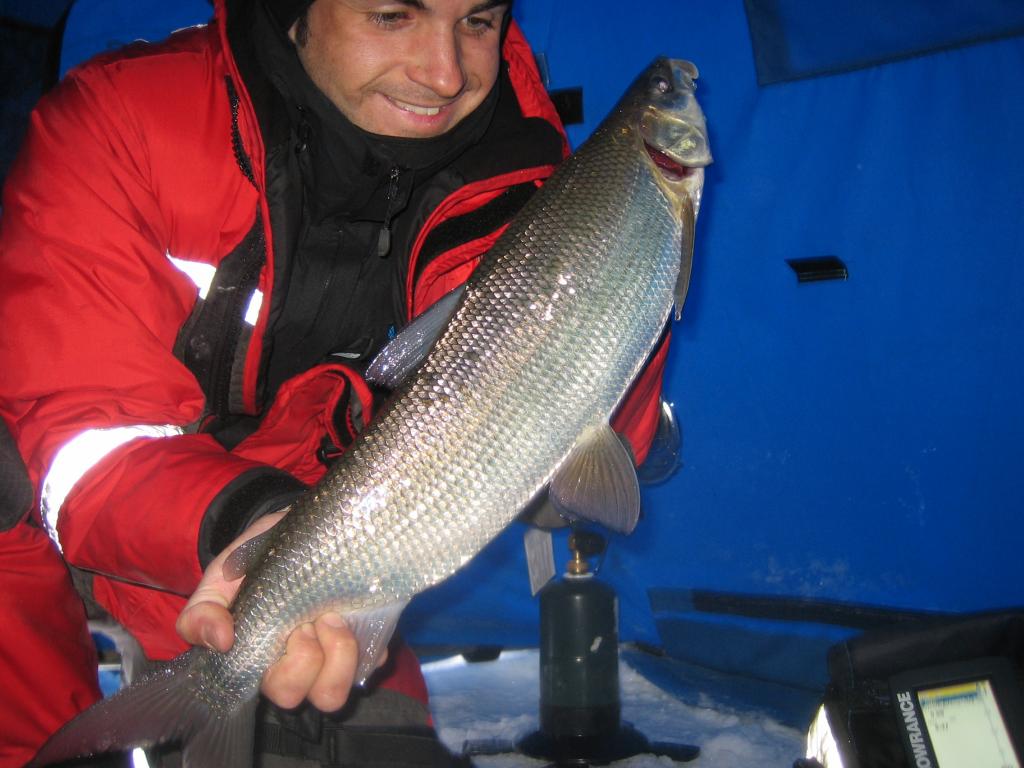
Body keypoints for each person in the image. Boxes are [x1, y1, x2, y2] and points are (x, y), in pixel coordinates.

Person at [0, 0, 672, 765]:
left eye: (479, 22)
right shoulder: (123, 121)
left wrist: (627, 259)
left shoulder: (517, 170)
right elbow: (80, 431)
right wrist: (248, 525)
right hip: (142, 523)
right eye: (392, 16)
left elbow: (598, 449)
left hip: (345, 541)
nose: (445, 74)